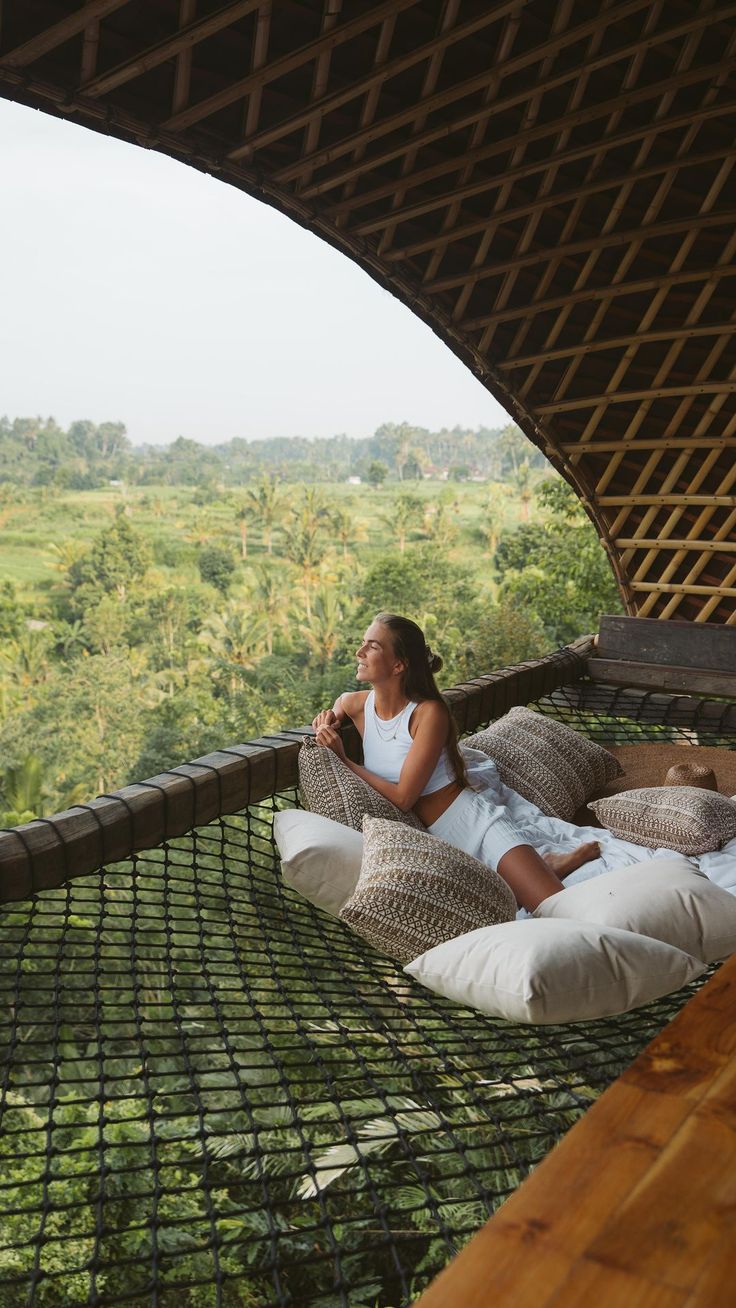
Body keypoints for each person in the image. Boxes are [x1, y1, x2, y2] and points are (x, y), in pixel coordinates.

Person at [311, 612, 599, 913]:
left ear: (399, 665)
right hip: (441, 846)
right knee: (500, 909)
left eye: (372, 646)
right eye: (362, 643)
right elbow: (338, 706)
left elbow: (404, 798)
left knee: (560, 909)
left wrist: (343, 758)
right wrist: (327, 720)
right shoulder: (355, 705)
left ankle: (544, 867)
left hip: (475, 823)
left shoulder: (428, 714)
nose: (359, 652)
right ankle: (545, 865)